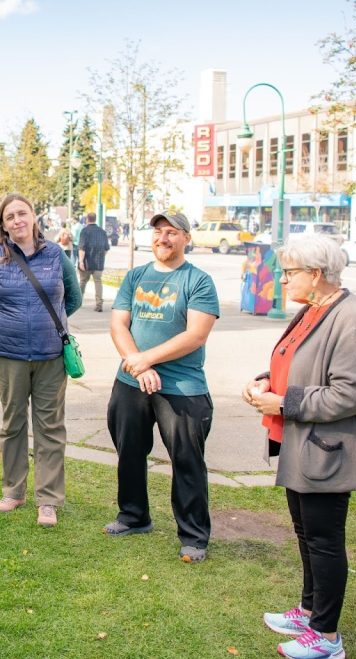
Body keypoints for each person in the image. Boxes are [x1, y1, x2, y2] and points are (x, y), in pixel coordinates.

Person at [242, 235, 356, 659]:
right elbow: (297, 361)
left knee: (324, 541)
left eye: (290, 272)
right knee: (307, 534)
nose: (283, 280)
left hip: (329, 451)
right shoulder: (315, 309)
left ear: (316, 274)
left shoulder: (350, 317)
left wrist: (284, 403)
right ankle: (308, 611)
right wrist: (267, 380)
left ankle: (326, 635)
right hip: (302, 446)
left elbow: (350, 393)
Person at [103, 211, 219, 563]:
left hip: (182, 387)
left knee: (186, 460)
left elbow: (196, 334)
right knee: (129, 451)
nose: (162, 238)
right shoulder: (136, 276)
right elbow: (119, 325)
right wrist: (138, 366)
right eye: (157, 232)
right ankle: (134, 516)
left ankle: (194, 536)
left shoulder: (198, 281)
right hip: (131, 381)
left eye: (171, 232)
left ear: (186, 238)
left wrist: (145, 359)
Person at [0, 192, 81, 528]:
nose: (17, 221)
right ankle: (13, 491)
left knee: (50, 427)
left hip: (51, 355)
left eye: (22, 213)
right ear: (2, 224)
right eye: (9, 216)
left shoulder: (57, 255)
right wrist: (4, 321)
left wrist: (49, 322)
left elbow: (71, 299)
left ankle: (48, 500)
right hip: (7, 355)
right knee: (13, 423)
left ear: (34, 217)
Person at [77, 211, 110, 312]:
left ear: (87, 219)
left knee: (82, 282)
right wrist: (101, 256)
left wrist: (81, 261)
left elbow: (82, 247)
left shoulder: (84, 231)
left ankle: (78, 302)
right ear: (95, 219)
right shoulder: (102, 232)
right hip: (99, 263)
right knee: (98, 282)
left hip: (86, 262)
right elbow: (106, 248)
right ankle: (99, 304)